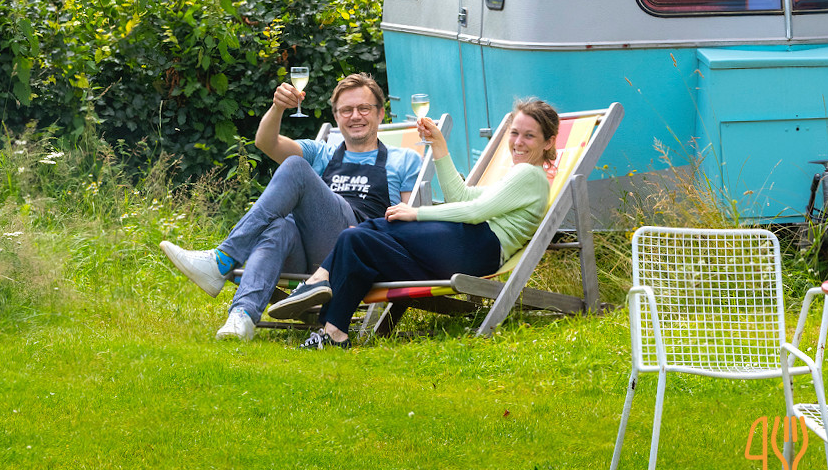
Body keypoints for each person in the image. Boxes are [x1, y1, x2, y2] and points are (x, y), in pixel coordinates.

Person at [267, 98, 558, 349]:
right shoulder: (520, 175)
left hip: (479, 244)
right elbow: (461, 196)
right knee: (356, 239)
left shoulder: (529, 175)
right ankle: (335, 333)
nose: (518, 142)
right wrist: (439, 145)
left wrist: (416, 213)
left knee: (375, 227)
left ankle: (317, 281)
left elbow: (474, 211)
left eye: (529, 136)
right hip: (467, 249)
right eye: (515, 133)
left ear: (548, 143)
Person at [159, 72, 423, 341]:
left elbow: (407, 222)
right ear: (336, 117)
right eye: (346, 110)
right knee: (279, 226)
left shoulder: (405, 160)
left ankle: (222, 260)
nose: (355, 116)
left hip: (355, 246)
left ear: (380, 114)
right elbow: (266, 143)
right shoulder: (321, 152)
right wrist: (277, 108)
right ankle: (243, 316)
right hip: (310, 254)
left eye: (364, 108)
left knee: (296, 167)